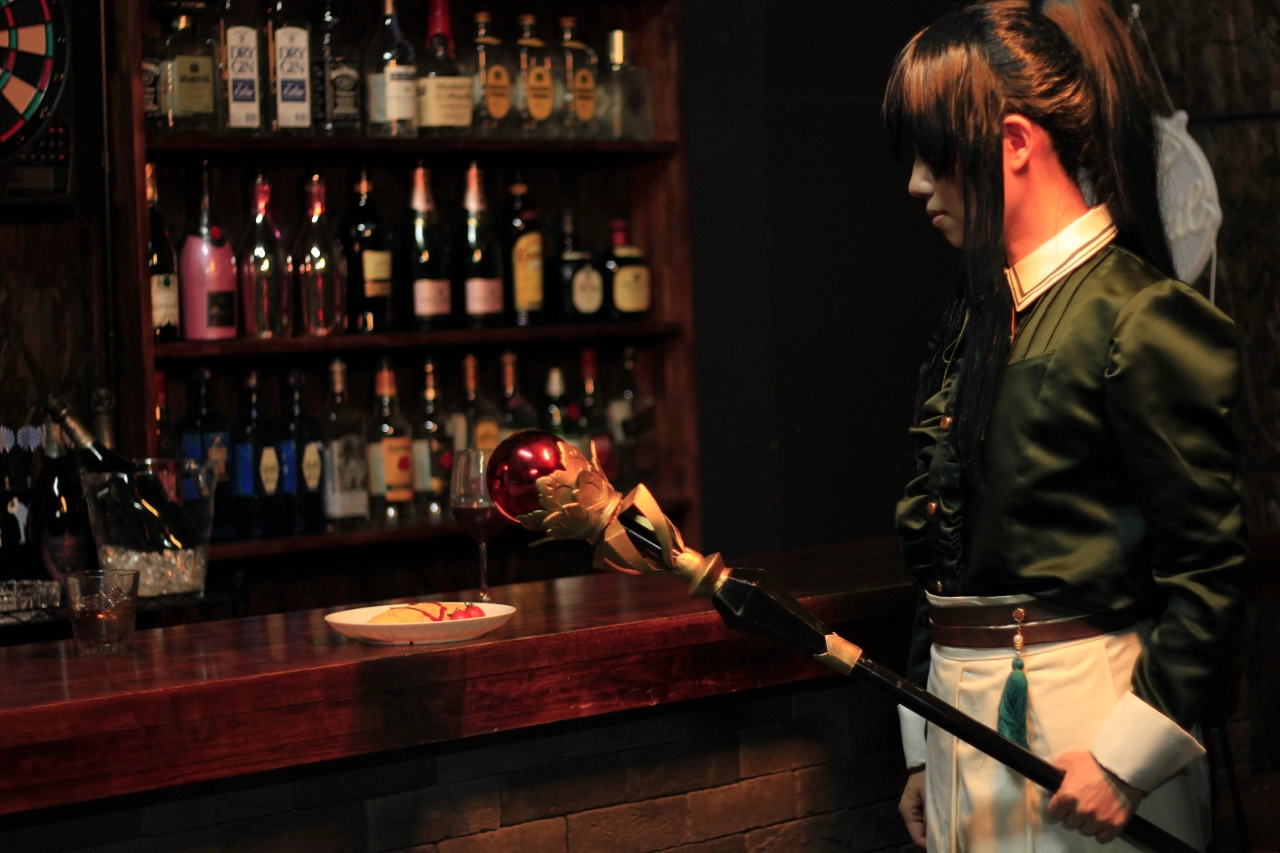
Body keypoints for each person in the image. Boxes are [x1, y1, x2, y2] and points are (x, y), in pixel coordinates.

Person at [883, 1, 1247, 850]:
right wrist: (922, 748)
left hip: (1088, 729)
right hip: (961, 730)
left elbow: (1208, 571)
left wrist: (1128, 758)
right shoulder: (972, 323)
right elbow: (944, 553)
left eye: (935, 153)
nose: (917, 184)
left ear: (1013, 142)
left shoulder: (1139, 315)